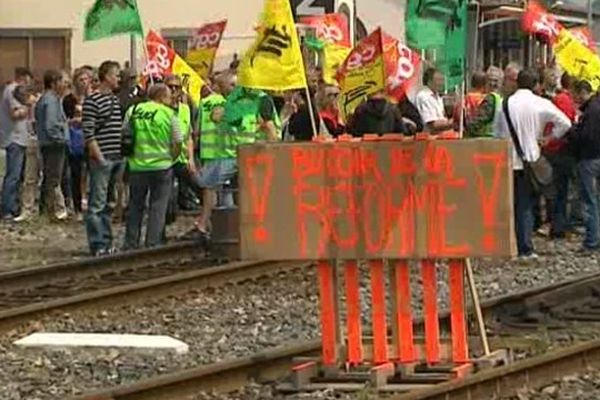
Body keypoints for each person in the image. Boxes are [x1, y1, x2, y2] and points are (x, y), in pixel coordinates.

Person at [496, 68, 571, 259]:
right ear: (536, 84)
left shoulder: (505, 104)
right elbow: (566, 123)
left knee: (511, 204)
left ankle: (509, 244)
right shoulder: (540, 103)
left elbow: (497, 134)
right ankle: (525, 248)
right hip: (531, 158)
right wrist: (549, 138)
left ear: (517, 82)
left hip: (507, 160)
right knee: (526, 205)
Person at [123, 84, 182, 249]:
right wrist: (173, 157)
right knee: (158, 206)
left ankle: (130, 242)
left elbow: (124, 133)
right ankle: (152, 243)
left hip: (137, 166)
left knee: (135, 206)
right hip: (162, 166)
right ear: (161, 97)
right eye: (169, 97)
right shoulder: (169, 114)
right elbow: (178, 140)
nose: (171, 100)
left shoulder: (133, 111)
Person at [82, 60, 124, 256]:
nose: (119, 78)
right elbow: (88, 132)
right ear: (106, 76)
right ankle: (97, 244)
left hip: (116, 157)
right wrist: (99, 158)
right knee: (97, 204)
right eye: (116, 75)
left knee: (109, 203)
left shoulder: (114, 100)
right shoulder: (92, 100)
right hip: (103, 158)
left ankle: (107, 242)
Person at [543, 73, 578, 239]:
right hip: (563, 149)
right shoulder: (566, 100)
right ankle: (559, 224)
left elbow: (561, 123)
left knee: (557, 190)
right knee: (561, 191)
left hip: (557, 149)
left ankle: (557, 225)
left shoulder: (560, 99)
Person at [35, 69, 70, 221]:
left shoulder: (47, 99)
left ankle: (46, 209)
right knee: (53, 178)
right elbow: (51, 125)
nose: (66, 84)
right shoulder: (51, 101)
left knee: (49, 177)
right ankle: (52, 211)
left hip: (48, 142)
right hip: (53, 144)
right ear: (54, 83)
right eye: (63, 81)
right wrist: (60, 138)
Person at [570, 80, 600, 251]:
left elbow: (585, 137)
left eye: (575, 94)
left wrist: (574, 129)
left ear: (582, 92)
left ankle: (592, 240)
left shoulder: (590, 111)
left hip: (588, 159)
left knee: (589, 200)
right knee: (596, 199)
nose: (574, 97)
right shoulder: (596, 107)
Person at [0, 67, 33, 221]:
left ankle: (14, 207)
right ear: (23, 77)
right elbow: (15, 114)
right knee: (13, 175)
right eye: (28, 80)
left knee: (18, 175)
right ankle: (7, 209)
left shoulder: (12, 90)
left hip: (19, 138)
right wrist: (29, 106)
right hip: (15, 138)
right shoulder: (13, 90)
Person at [63, 68, 92, 217]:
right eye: (81, 80)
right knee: (76, 173)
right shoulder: (68, 100)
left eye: (87, 79)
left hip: (91, 140)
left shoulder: (92, 98)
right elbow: (66, 121)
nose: (84, 83)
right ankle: (77, 205)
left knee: (91, 171)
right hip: (75, 140)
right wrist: (78, 119)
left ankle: (89, 200)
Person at [465, 66, 504, 138]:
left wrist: (465, 125)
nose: (492, 83)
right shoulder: (502, 98)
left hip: (485, 142)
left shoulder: (491, 99)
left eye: (495, 80)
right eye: (490, 80)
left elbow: (477, 122)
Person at [415, 67, 453, 133]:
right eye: (438, 80)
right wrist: (454, 122)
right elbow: (433, 125)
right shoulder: (424, 96)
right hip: (430, 139)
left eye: (442, 80)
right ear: (429, 81)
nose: (441, 83)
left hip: (442, 136)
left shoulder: (438, 97)